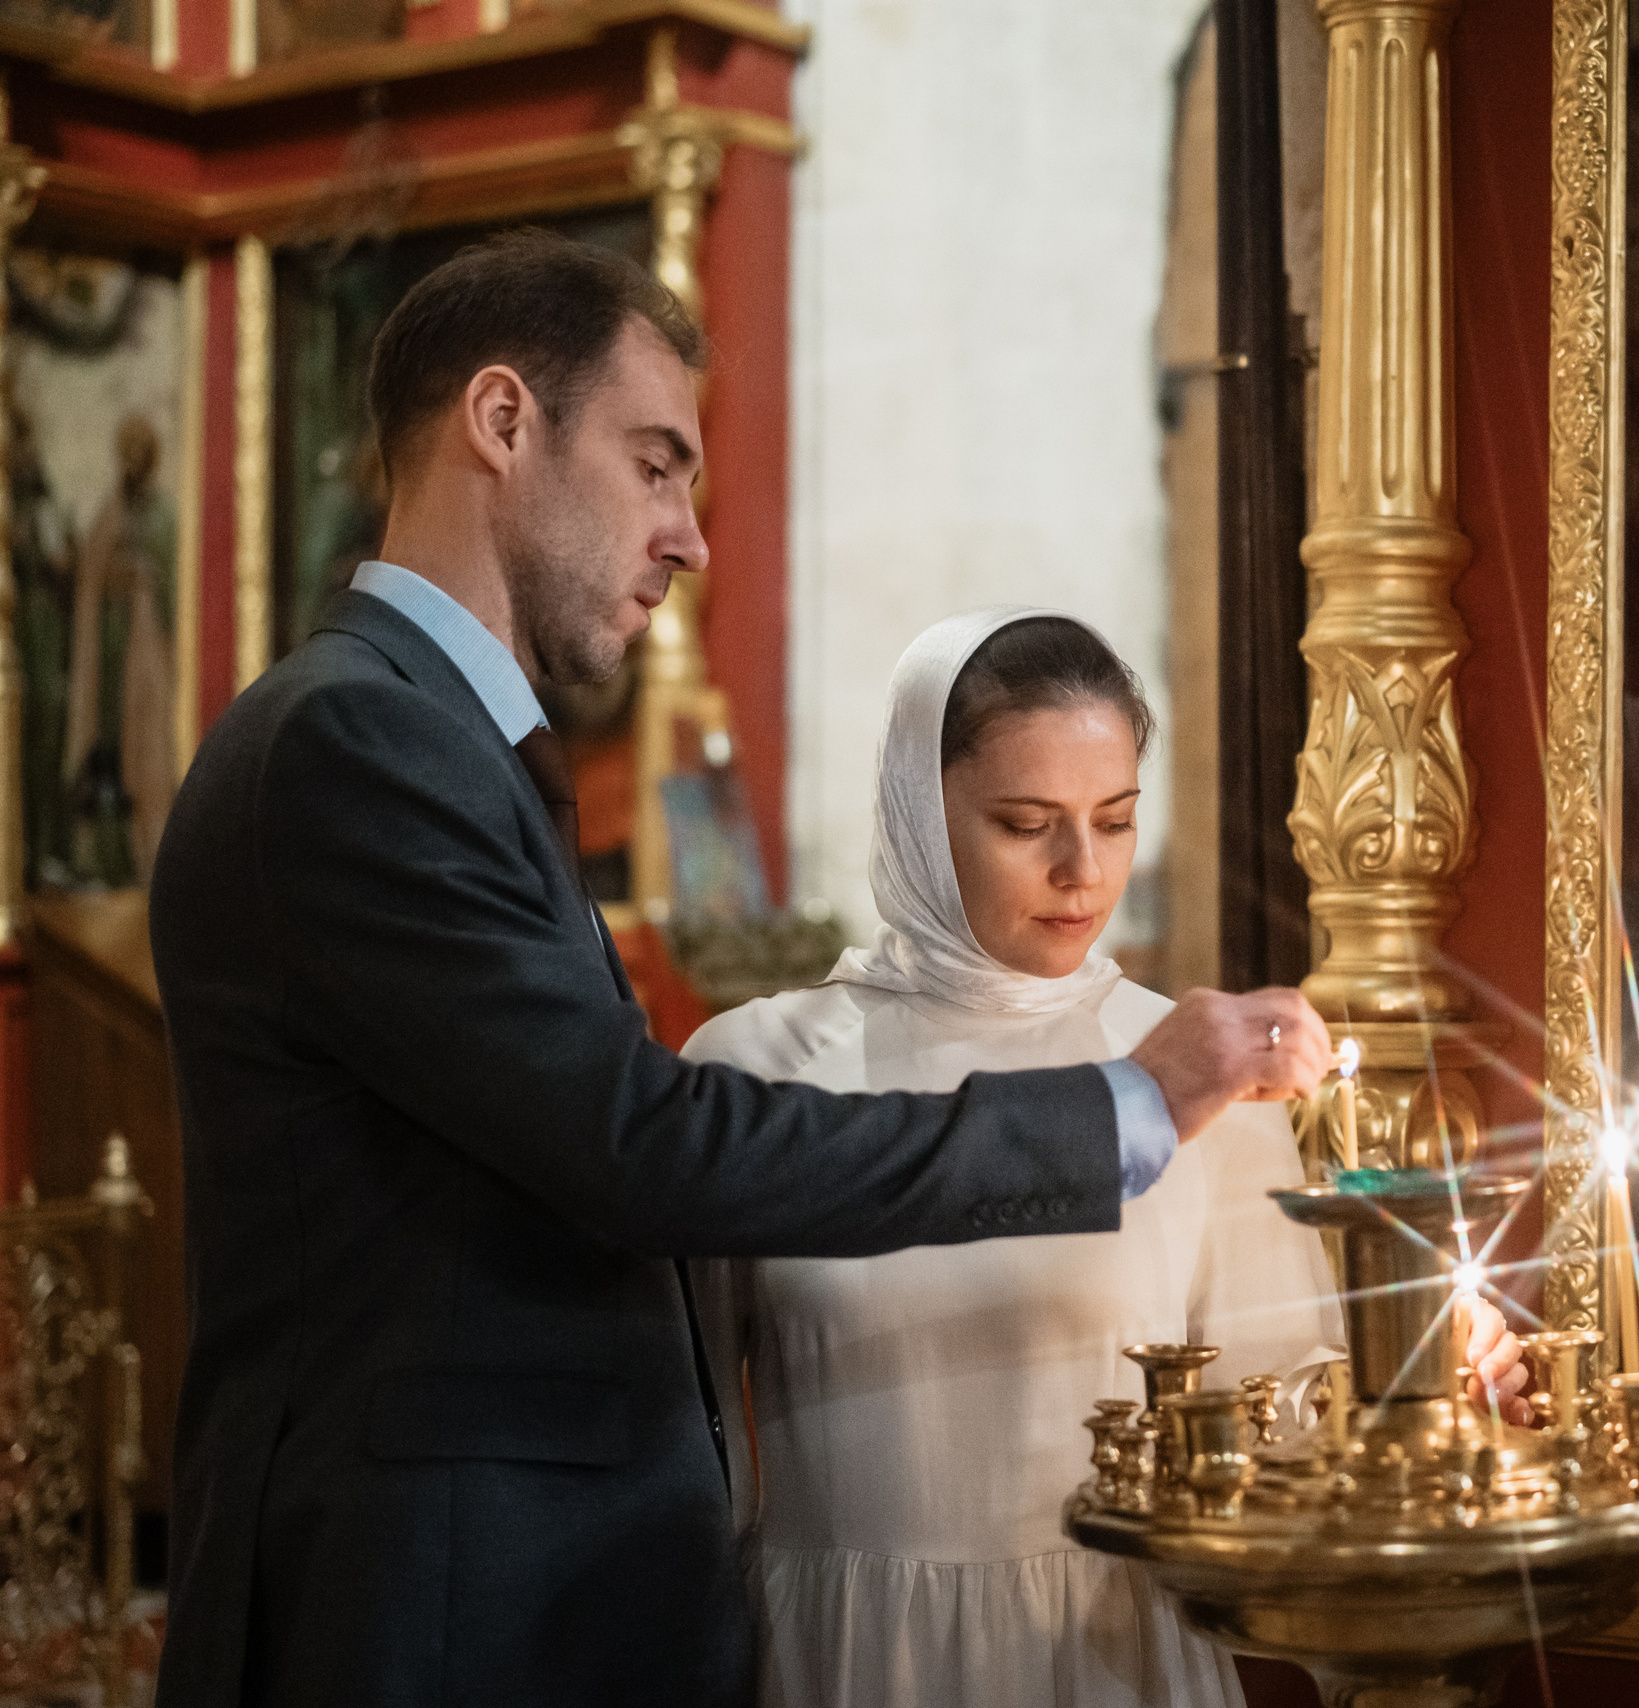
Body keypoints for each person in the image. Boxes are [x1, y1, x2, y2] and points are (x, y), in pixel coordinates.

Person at [146, 230, 1333, 1708]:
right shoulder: (360, 741)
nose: (690, 534)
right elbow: (637, 1145)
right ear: (504, 423)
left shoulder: (436, 739)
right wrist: (1120, 1111)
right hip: (429, 1612)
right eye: (656, 464)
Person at [685, 608, 1528, 1707]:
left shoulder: (1188, 1073)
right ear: (916, 808)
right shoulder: (756, 1065)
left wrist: (1428, 1401)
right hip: (843, 1661)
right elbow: (678, 1459)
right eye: (1025, 822)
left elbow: (1275, 1432)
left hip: (1106, 1661)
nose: (1083, 871)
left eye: (1117, 819)